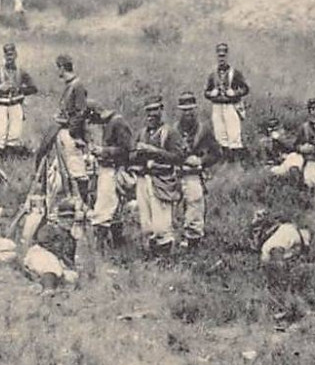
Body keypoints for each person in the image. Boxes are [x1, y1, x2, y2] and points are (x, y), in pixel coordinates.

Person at [130, 97, 182, 254]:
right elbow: (131, 155)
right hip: (143, 179)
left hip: (162, 180)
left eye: (155, 111)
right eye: (148, 112)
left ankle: (165, 255)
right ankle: (152, 254)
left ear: (161, 110)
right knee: (146, 221)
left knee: (162, 223)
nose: (151, 115)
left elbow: (178, 157)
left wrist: (155, 152)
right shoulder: (142, 133)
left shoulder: (170, 133)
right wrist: (137, 156)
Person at [85, 102, 136, 245]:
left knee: (103, 209)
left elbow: (128, 150)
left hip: (113, 170)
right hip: (106, 169)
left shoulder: (117, 123)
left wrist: (104, 151)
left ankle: (100, 248)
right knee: (112, 209)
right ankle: (117, 245)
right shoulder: (108, 124)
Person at [174, 92, 220, 248]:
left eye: (190, 110)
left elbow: (216, 153)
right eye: (184, 110)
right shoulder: (173, 130)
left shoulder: (203, 130)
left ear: (195, 109)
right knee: (173, 207)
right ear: (179, 111)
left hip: (193, 174)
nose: (187, 113)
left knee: (195, 204)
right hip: (175, 173)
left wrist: (201, 161)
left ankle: (193, 240)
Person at [0, 43, 38, 157]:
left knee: (14, 134)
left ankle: (11, 157)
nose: (9, 58)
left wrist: (20, 89)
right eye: (7, 55)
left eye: (11, 55)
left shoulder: (21, 72)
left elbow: (33, 88)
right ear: (4, 56)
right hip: (0, 106)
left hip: (16, 106)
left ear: (16, 55)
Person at [202, 42, 250, 161]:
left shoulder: (235, 73)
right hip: (217, 106)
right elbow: (205, 92)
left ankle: (237, 162)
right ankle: (225, 161)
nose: (221, 58)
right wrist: (211, 93)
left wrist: (235, 93)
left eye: (223, 56)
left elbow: (245, 88)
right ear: (216, 56)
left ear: (227, 56)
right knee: (220, 134)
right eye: (219, 56)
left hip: (231, 106)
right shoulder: (212, 74)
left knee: (233, 134)